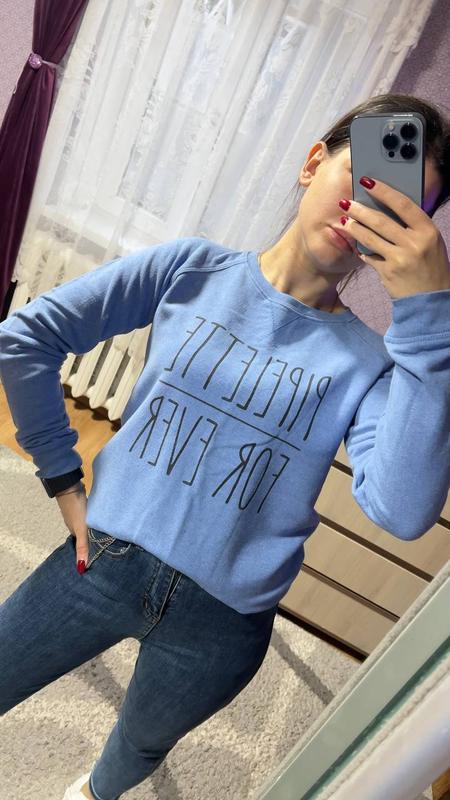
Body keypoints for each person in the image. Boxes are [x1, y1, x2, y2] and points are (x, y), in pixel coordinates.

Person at [0, 92, 449, 800]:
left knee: (141, 743)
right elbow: (24, 339)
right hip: (101, 560)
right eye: (366, 179)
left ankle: (93, 794)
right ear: (313, 163)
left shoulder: (375, 364)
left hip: (223, 625)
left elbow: (401, 510)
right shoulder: (191, 269)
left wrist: (429, 318)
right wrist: (61, 476)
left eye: (399, 209)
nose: (364, 212)